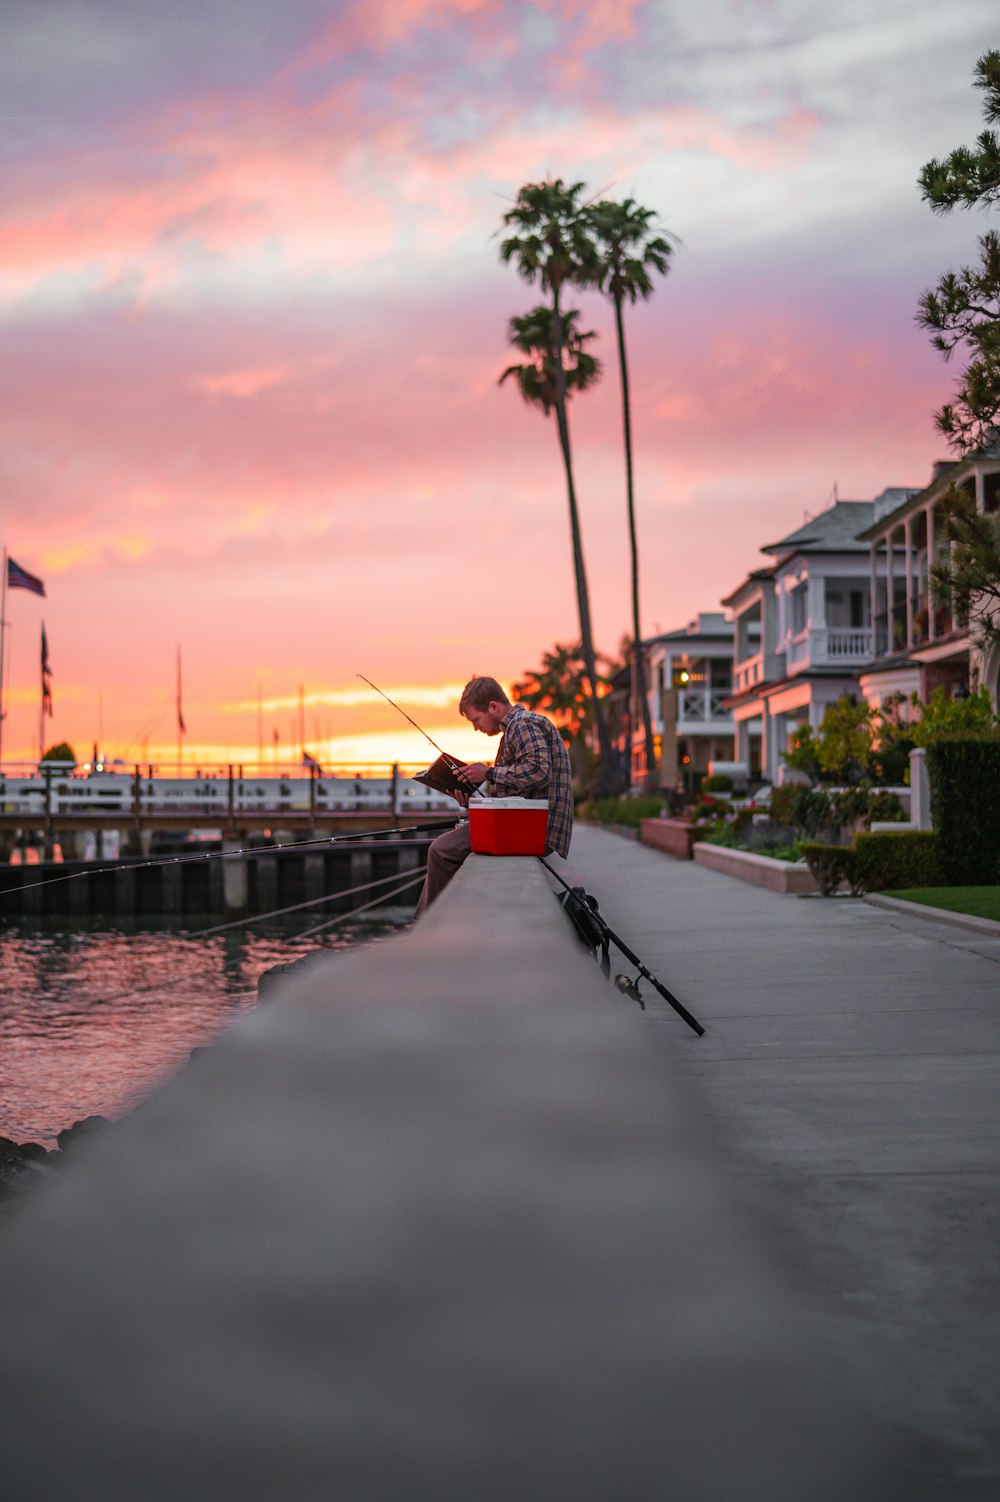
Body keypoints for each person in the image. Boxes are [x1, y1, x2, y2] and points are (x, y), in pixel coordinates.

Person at [413, 676, 574, 916]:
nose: (476, 728)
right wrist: (471, 800)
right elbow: (517, 790)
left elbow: (539, 771)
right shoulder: (514, 729)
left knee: (440, 849)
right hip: (525, 825)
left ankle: (427, 927)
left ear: (493, 707)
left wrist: (487, 772)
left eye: (476, 720)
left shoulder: (522, 724)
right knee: (447, 847)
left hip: (534, 830)